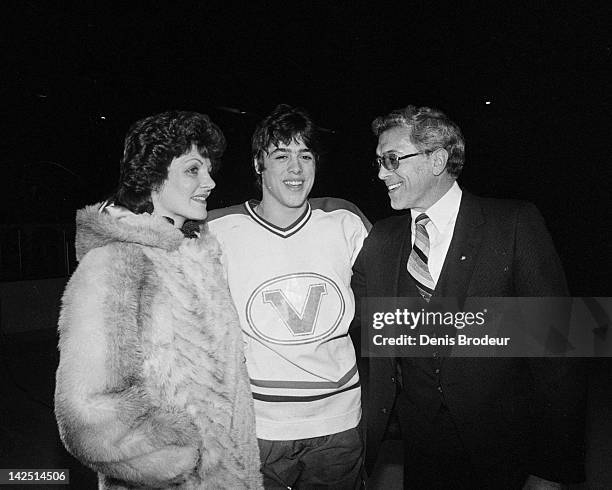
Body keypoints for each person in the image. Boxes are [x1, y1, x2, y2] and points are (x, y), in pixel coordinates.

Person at [352, 105, 586, 489]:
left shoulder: (513, 224)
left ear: (437, 159)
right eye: (379, 161)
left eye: (392, 159)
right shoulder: (382, 238)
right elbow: (347, 315)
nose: (381, 173)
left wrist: (551, 469)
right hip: (422, 452)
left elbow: (559, 354)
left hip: (506, 453)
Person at [54, 111, 262, 489]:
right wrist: (177, 460)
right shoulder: (116, 261)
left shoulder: (198, 255)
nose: (210, 181)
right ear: (152, 176)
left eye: (210, 169)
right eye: (192, 170)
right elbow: (86, 412)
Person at [207, 104, 370, 488]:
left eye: (305, 155)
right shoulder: (217, 229)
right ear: (258, 164)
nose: (295, 168)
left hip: (339, 423)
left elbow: (393, 298)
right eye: (281, 156)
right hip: (255, 426)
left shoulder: (345, 221)